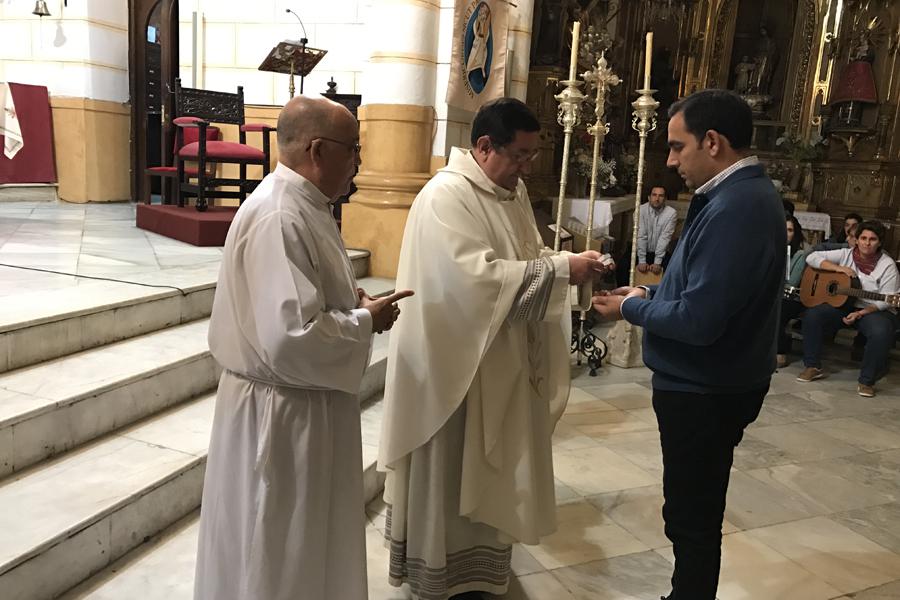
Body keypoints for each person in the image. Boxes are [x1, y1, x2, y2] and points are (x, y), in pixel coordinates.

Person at [378, 97, 613, 600]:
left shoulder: (511, 191)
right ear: (484, 146)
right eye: (520, 156)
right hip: (453, 372)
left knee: (491, 472)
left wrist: (568, 263)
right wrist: (557, 272)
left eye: (531, 156)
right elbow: (472, 283)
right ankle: (438, 570)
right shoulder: (447, 196)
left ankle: (479, 567)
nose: (526, 167)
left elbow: (524, 256)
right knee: (451, 472)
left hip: (496, 362)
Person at [194, 95, 413, 600]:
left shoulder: (303, 204)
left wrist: (352, 301)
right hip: (282, 415)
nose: (358, 161)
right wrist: (365, 320)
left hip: (302, 404)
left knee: (303, 545)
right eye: (353, 149)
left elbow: (302, 298)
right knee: (276, 548)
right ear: (318, 150)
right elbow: (288, 336)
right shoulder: (279, 214)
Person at [592, 89, 785, 600]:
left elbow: (700, 322)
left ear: (714, 142)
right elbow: (705, 288)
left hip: (706, 387)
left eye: (678, 147)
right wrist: (649, 292)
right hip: (710, 381)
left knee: (692, 515)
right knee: (690, 507)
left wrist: (630, 308)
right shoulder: (733, 196)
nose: (671, 160)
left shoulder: (738, 205)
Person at [796, 220, 899, 397]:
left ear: (879, 242)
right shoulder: (845, 254)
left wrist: (860, 313)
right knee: (813, 315)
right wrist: (838, 268)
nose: (867, 243)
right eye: (863, 238)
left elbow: (888, 299)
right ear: (856, 240)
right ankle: (812, 366)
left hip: (872, 310)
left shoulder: (887, 265)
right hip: (843, 304)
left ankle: (866, 380)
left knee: (881, 331)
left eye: (872, 239)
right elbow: (811, 257)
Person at [777, 213, 811, 368]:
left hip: (791, 297)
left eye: (790, 230)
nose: (786, 234)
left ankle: (780, 351)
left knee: (777, 311)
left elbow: (792, 282)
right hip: (771, 294)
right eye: (782, 229)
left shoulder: (800, 255)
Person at [637, 185, 678, 275]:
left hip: (660, 253)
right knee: (623, 266)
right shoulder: (640, 210)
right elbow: (641, 235)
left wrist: (657, 262)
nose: (657, 198)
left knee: (674, 270)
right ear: (649, 197)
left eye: (661, 196)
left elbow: (665, 238)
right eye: (654, 195)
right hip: (641, 251)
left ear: (665, 199)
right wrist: (642, 260)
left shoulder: (671, 213)